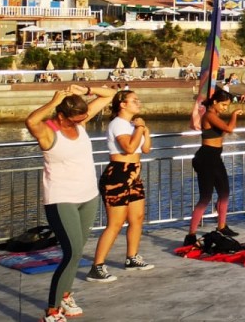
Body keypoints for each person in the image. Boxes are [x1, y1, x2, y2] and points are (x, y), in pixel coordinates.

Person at [24, 85, 116, 322]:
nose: (79, 122)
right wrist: (55, 101)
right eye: (74, 118)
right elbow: (31, 120)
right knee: (72, 252)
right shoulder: (48, 131)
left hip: (87, 196)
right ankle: (52, 311)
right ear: (62, 115)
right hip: (61, 198)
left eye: (82, 118)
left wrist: (85, 88)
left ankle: (65, 295)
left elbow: (109, 94)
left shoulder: (80, 123)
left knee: (76, 252)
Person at [87, 90, 154, 283]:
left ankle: (132, 257)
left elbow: (145, 149)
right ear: (122, 104)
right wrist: (140, 128)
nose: (138, 102)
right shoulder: (118, 124)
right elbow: (129, 148)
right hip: (118, 173)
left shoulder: (132, 125)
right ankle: (97, 266)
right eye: (134, 100)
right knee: (115, 223)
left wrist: (144, 131)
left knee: (137, 218)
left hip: (133, 174)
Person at [186, 89, 243, 246]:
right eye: (224, 105)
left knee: (224, 192)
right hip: (205, 158)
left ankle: (222, 227)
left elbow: (221, 134)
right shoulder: (209, 115)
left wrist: (228, 121)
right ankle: (191, 234)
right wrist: (234, 115)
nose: (225, 108)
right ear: (215, 102)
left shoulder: (215, 116)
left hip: (215, 157)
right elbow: (229, 129)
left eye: (228, 106)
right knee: (205, 198)